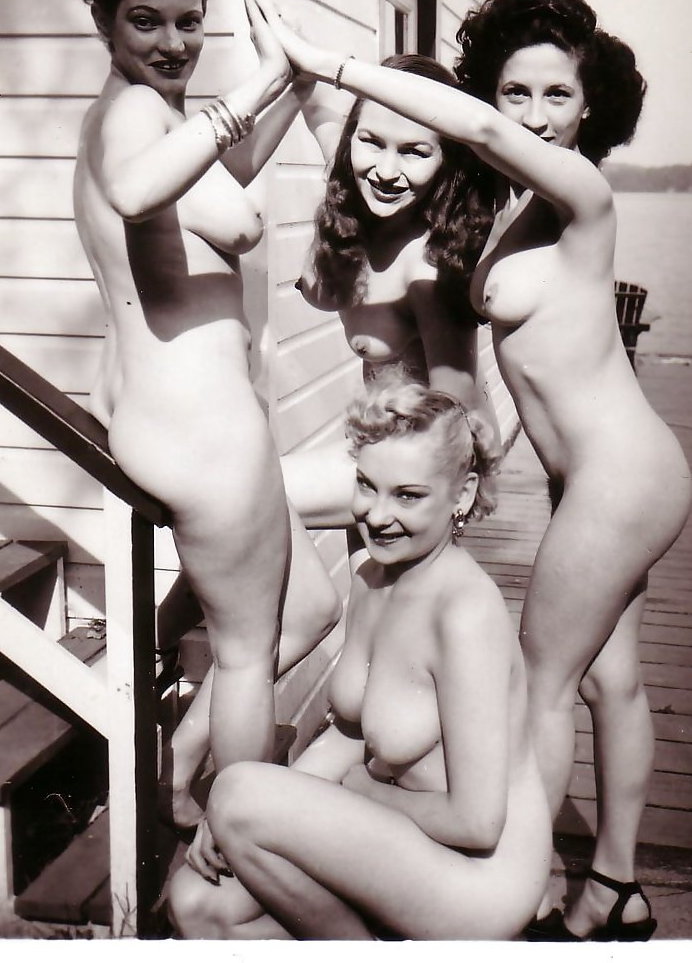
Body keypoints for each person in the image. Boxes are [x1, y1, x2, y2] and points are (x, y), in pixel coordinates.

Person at [246, 0, 692, 941]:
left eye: (558, 95)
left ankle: (513, 896)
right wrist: (308, 86)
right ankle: (615, 888)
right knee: (611, 679)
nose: (534, 114)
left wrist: (334, 61)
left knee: (543, 681)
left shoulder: (583, 196)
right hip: (599, 473)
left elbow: (478, 132)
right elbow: (388, 165)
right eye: (516, 92)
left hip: (620, 474)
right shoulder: (509, 205)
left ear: (592, 107)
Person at [69, 0, 340, 838]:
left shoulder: (146, 115)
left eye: (190, 22)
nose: (173, 42)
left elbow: (223, 175)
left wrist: (290, 72)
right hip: (199, 431)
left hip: (182, 421)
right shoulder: (132, 121)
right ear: (103, 20)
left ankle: (176, 766)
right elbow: (143, 193)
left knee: (310, 608)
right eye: (145, 21)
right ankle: (238, 855)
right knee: (249, 655)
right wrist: (259, 84)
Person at [167, 378, 552, 941]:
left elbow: (477, 822)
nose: (377, 514)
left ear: (463, 495)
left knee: (236, 792)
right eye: (367, 485)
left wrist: (356, 793)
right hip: (404, 838)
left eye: (408, 496)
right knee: (199, 903)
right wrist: (246, 821)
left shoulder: (465, 614)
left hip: (479, 878)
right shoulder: (374, 578)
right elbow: (350, 732)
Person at [281, 54, 497, 527]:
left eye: (415, 152)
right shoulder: (356, 187)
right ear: (351, 138)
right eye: (371, 141)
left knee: (247, 497)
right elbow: (314, 102)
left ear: (447, 160)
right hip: (376, 446)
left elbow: (459, 417)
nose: (385, 169)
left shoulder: (426, 273)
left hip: (420, 467)